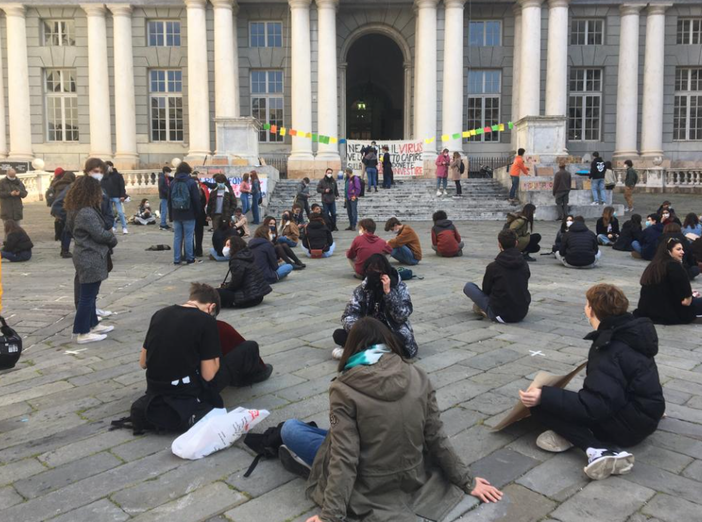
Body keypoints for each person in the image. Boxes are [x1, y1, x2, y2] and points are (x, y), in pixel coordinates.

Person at [280, 318, 502, 522]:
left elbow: (345, 456)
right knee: (334, 435)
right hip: (414, 473)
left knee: (290, 429)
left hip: (368, 485)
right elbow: (436, 436)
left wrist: (330, 516)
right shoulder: (418, 375)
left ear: (351, 347)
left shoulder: (344, 388)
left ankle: (307, 462)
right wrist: (466, 481)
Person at [519, 284, 664, 481]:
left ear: (592, 310)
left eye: (587, 304)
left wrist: (544, 395)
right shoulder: (633, 333)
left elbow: (597, 405)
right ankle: (578, 435)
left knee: (539, 405)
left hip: (628, 427)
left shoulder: (608, 346)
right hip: (647, 416)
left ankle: (598, 449)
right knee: (559, 399)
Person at [139, 283, 272, 432]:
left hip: (155, 389)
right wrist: (214, 356)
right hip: (187, 391)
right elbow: (208, 375)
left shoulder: (160, 314)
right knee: (249, 347)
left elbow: (143, 363)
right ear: (211, 307)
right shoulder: (206, 321)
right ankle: (257, 373)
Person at [333, 254, 418, 359]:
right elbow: (349, 314)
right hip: (367, 331)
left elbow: (401, 316)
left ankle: (362, 350)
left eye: (378, 271)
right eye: (371, 271)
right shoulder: (362, 289)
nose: (374, 275)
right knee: (339, 335)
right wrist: (362, 330)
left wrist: (388, 293)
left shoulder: (399, 287)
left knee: (402, 338)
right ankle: (377, 350)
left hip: (390, 331)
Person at [65, 175, 118, 344]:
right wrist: (112, 238)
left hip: (87, 255)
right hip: (90, 256)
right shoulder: (86, 212)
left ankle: (93, 324)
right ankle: (82, 331)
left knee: (91, 294)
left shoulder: (75, 209)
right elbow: (99, 233)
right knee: (87, 296)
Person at [464, 229, 531, 323]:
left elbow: (486, 290)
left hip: (500, 313)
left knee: (469, 287)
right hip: (521, 313)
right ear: (516, 243)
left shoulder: (493, 267)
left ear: (499, 244)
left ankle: (484, 310)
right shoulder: (524, 264)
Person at [635, 238, 702, 324]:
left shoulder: (653, 266)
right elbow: (686, 302)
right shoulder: (675, 267)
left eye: (682, 249)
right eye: (678, 249)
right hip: (670, 312)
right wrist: (689, 296)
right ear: (669, 251)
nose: (682, 252)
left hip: (647, 310)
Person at [217, 237, 272, 309]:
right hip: (258, 295)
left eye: (228, 245)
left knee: (217, 292)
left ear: (234, 246)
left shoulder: (237, 261)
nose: (225, 247)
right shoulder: (247, 255)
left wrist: (225, 288)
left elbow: (235, 283)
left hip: (249, 298)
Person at [168, 162, 201, 265]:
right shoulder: (191, 182)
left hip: (176, 213)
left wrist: (171, 215)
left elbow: (169, 200)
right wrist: (198, 212)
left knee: (177, 237)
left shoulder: (173, 182)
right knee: (188, 236)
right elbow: (196, 199)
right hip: (189, 213)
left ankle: (177, 259)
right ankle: (189, 258)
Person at [50, 171, 77, 258]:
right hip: (63, 209)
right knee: (68, 230)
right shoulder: (71, 187)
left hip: (60, 208)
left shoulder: (58, 184)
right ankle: (65, 251)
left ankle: (64, 250)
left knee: (67, 230)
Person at [101, 161, 128, 235]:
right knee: (111, 213)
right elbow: (102, 185)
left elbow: (122, 186)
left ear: (111, 166)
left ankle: (124, 227)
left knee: (120, 212)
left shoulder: (118, 175)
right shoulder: (104, 176)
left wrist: (122, 195)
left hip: (116, 196)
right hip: (108, 197)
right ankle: (114, 226)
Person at [194, 176, 209, 258]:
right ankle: (199, 250)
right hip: (200, 215)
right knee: (199, 234)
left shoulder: (191, 191)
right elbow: (204, 202)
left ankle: (195, 250)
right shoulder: (201, 191)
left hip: (193, 215)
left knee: (193, 234)